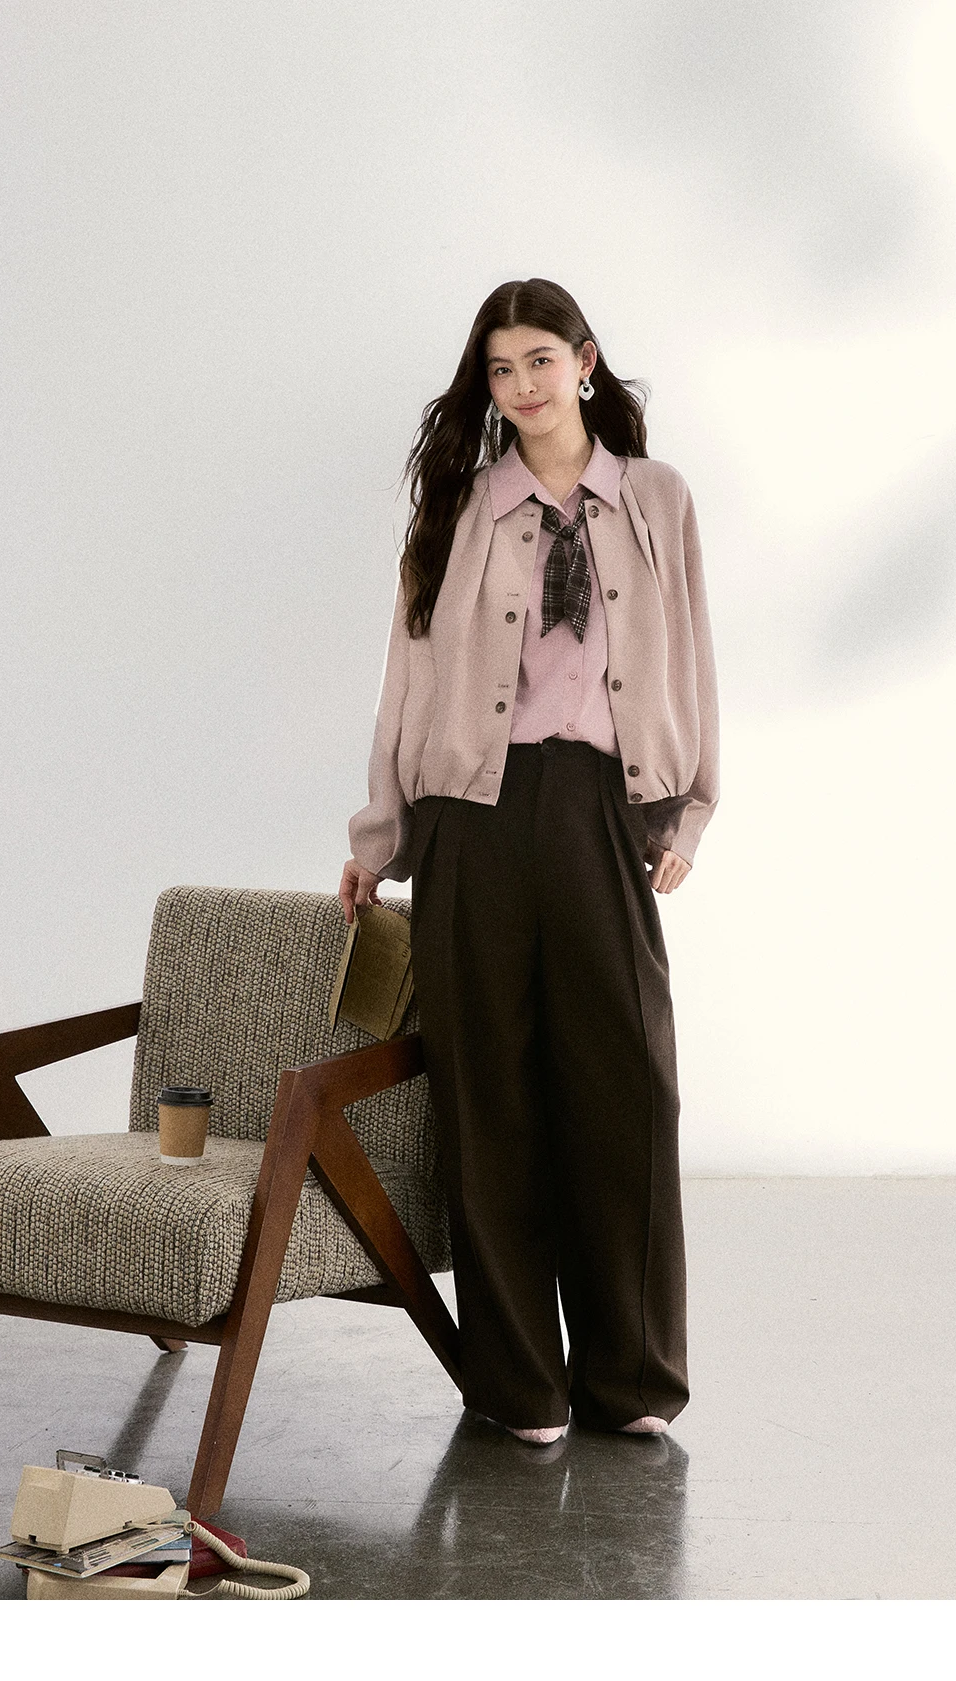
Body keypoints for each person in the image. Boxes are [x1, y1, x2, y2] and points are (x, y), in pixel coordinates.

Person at [339, 278, 719, 1445]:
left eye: (540, 361)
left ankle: (631, 1378)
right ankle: (519, 1383)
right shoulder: (462, 508)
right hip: (472, 816)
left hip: (601, 805)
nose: (521, 387)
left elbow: (693, 656)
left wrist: (688, 813)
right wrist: (379, 837)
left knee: (628, 1087)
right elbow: (408, 678)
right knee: (489, 1094)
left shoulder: (656, 499)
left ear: (586, 361)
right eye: (500, 371)